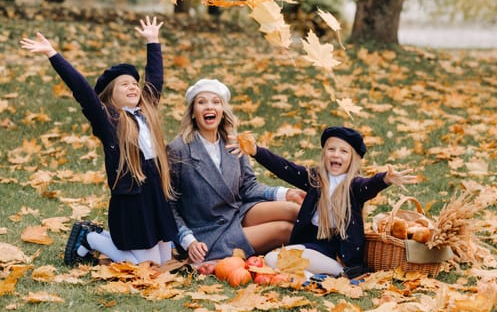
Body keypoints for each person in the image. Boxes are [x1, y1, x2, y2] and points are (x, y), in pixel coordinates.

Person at [20, 16, 177, 266]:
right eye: (124, 84)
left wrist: (153, 41)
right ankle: (91, 238)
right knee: (147, 267)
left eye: (135, 84)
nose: (133, 87)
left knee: (165, 261)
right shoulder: (109, 120)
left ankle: (104, 238)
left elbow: (155, 80)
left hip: (154, 194)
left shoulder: (146, 112)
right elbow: (82, 90)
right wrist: (53, 54)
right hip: (132, 198)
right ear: (110, 97)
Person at [236, 126, 418, 278]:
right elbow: (286, 168)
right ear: (324, 154)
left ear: (353, 159)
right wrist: (256, 152)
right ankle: (313, 278)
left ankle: (341, 274)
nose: (336, 155)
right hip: (312, 245)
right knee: (272, 259)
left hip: (338, 254)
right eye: (331, 149)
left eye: (343, 151)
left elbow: (369, 186)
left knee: (277, 260)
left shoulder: (354, 186)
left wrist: (384, 179)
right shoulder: (315, 179)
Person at [167, 78, 306, 263]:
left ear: (223, 111)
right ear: (193, 112)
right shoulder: (179, 149)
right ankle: (316, 253)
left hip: (237, 212)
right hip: (209, 231)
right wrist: (188, 241)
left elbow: (248, 186)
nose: (209, 107)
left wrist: (285, 193)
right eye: (202, 102)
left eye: (216, 102)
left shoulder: (231, 141)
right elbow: (168, 204)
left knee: (293, 210)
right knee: (285, 229)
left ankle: (337, 245)